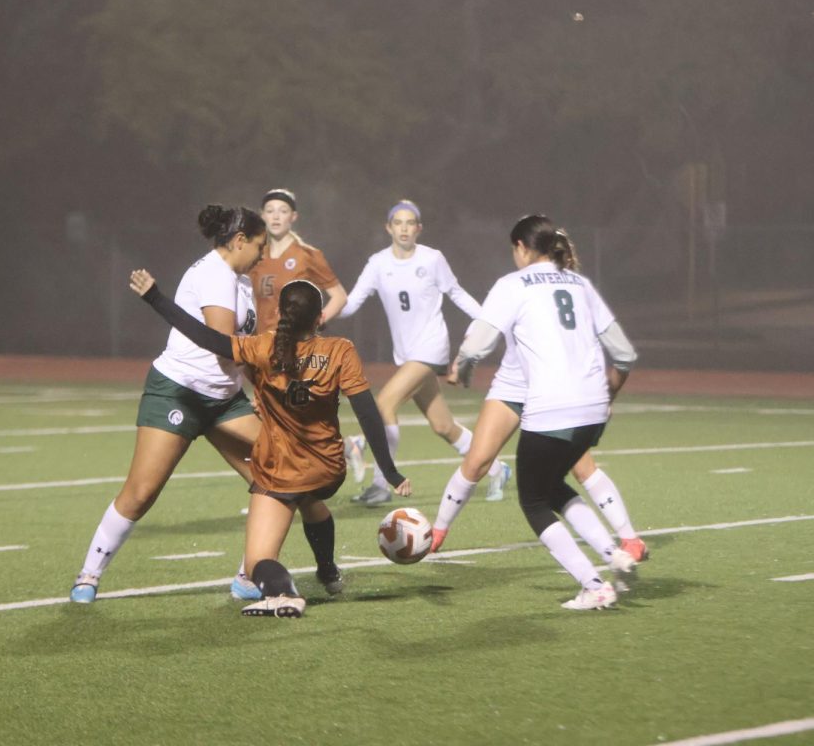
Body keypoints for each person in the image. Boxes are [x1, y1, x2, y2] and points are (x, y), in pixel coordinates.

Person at [131, 270, 410, 617]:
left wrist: (155, 298)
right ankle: (328, 571)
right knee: (310, 499)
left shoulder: (262, 346)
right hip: (327, 469)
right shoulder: (340, 350)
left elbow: (207, 338)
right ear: (321, 317)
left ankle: (284, 592)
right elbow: (367, 412)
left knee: (257, 562)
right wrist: (389, 472)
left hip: (280, 470)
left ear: (279, 314)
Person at [432, 215, 640, 611]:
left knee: (532, 499)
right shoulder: (580, 283)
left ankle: (594, 585)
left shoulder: (513, 284)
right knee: (552, 485)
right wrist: (607, 392)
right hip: (591, 405)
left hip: (552, 404)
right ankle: (615, 553)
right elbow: (625, 354)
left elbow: (479, 341)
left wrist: (464, 367)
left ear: (521, 248)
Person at [69, 204, 269, 604]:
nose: (264, 254)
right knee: (141, 491)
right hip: (179, 392)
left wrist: (258, 389)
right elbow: (223, 343)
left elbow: (237, 352)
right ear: (240, 240)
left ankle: (250, 575)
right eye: (260, 246)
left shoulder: (241, 279)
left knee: (276, 477)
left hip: (224, 400)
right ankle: (89, 574)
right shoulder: (215, 274)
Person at [338, 200, 510, 505]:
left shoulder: (432, 259)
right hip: (406, 354)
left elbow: (455, 292)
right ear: (388, 227)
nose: (404, 228)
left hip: (432, 347)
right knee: (442, 426)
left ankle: (380, 484)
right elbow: (350, 304)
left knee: (384, 403)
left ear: (418, 229)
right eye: (398, 223)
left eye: (410, 223)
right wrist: (320, 311)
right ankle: (498, 469)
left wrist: (489, 320)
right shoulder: (377, 263)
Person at [250, 188, 348, 330]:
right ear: (263, 216)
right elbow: (251, 300)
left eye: (283, 211)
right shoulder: (255, 257)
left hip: (295, 345)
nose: (276, 217)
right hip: (261, 344)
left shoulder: (307, 255)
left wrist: (314, 323)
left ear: (293, 216)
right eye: (270, 211)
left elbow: (340, 297)